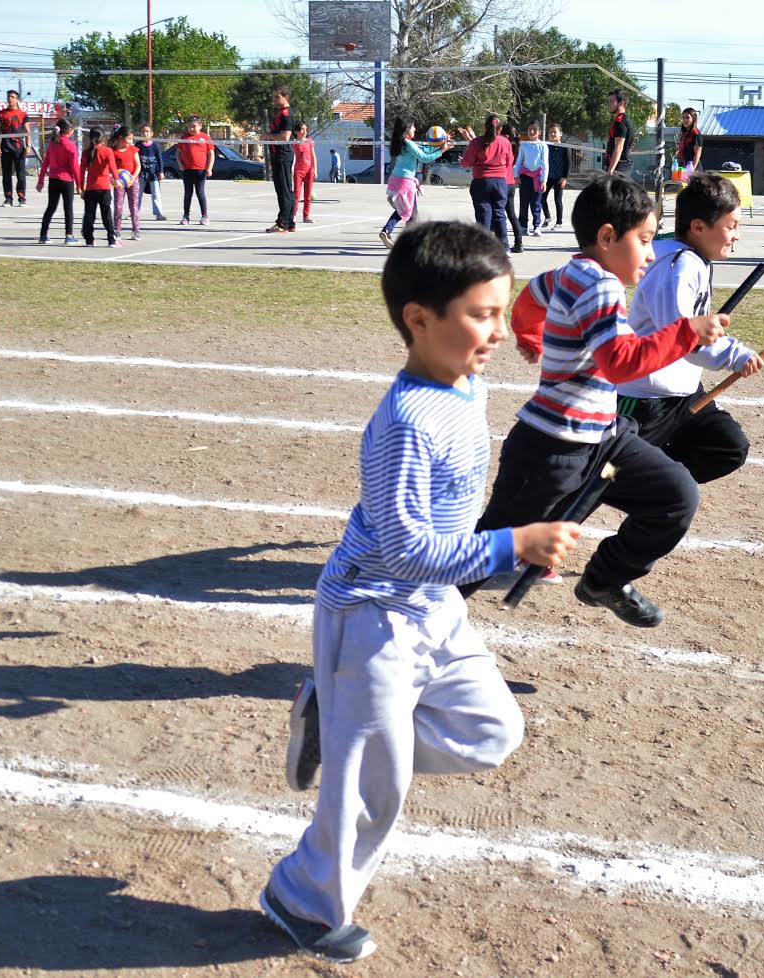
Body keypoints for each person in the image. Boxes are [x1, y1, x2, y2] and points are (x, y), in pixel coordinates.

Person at [260, 220, 581, 964]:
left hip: (436, 608)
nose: (497, 330)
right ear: (419, 319)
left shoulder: (468, 382)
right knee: (375, 788)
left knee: (491, 731)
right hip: (373, 615)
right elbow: (405, 551)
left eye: (501, 312)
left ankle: (332, 723)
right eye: (481, 314)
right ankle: (303, 898)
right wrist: (511, 545)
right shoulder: (404, 420)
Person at [467, 175, 727, 628]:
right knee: (483, 559)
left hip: (602, 439)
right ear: (607, 237)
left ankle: (605, 580)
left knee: (675, 494)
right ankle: (395, 620)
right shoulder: (601, 286)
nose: (651, 253)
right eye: (644, 241)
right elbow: (622, 363)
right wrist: (687, 332)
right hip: (551, 448)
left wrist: (530, 335)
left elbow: (530, 295)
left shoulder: (570, 272)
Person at [614, 174, 763, 495]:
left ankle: (651, 485)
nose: (737, 235)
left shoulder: (694, 260)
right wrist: (735, 354)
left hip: (682, 393)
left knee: (728, 445)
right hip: (644, 400)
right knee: (596, 481)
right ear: (698, 227)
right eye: (730, 226)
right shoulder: (678, 268)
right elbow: (683, 340)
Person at [379, 117, 447, 248]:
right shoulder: (408, 144)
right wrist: (442, 150)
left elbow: (423, 151)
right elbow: (424, 157)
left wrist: (440, 145)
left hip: (396, 179)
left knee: (410, 212)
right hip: (405, 181)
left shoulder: (401, 143)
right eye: (413, 127)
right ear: (406, 129)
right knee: (408, 212)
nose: (415, 129)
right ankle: (391, 233)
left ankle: (395, 235)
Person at [457, 114, 514, 247]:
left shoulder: (476, 142)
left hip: (481, 182)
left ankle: (483, 248)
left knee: (484, 216)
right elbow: (510, 162)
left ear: (485, 127)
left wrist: (465, 162)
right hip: (500, 182)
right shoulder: (505, 142)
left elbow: (466, 162)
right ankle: (504, 247)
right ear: (499, 130)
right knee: (500, 214)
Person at [36, 118, 80, 245]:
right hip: (67, 180)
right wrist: (79, 184)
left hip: (53, 180)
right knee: (68, 208)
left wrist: (41, 181)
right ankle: (69, 235)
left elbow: (45, 163)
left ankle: (43, 235)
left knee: (51, 207)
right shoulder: (70, 145)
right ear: (69, 131)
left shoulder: (52, 144)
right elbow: (74, 167)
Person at [79, 128, 117, 248]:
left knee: (89, 215)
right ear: (103, 139)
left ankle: (89, 240)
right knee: (106, 214)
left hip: (90, 188)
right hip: (104, 187)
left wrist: (81, 187)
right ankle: (111, 239)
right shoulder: (107, 151)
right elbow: (112, 168)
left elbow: (81, 171)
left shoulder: (86, 152)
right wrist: (117, 180)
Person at [267, 86, 296, 233]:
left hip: (283, 155)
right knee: (284, 189)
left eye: (277, 97)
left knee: (283, 189)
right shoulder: (280, 113)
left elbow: (285, 137)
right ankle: (290, 221)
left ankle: (282, 223)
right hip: (277, 155)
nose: (274, 99)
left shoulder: (286, 114)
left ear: (285, 97)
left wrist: (268, 136)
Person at [177, 116, 215, 225]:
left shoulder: (205, 137)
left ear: (200, 126)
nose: (191, 129)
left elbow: (211, 154)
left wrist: (209, 168)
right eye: (189, 127)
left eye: (194, 126)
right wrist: (180, 165)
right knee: (188, 193)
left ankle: (204, 216)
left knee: (200, 192)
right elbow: (178, 152)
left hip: (201, 170)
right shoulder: (184, 137)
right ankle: (186, 216)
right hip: (187, 170)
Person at [514, 120, 549, 238]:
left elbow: (545, 164)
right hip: (525, 178)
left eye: (534, 129)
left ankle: (537, 227)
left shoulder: (543, 145)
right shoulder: (524, 145)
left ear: (539, 132)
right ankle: (523, 227)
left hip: (538, 178)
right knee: (524, 203)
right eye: (530, 130)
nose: (532, 132)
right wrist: (516, 175)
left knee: (536, 203)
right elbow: (519, 161)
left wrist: (544, 180)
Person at [108, 125, 142, 243]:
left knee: (134, 206)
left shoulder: (133, 149)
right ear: (121, 138)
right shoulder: (113, 151)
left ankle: (136, 229)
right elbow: (110, 168)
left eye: (132, 139)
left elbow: (138, 165)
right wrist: (114, 179)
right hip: (119, 183)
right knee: (118, 206)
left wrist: (132, 178)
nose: (131, 142)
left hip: (133, 181)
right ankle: (117, 230)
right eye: (129, 139)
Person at [0, 90, 29, 207]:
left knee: (21, 174)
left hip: (19, 148)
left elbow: (27, 131)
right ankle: (8, 198)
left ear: (17, 99)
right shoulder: (1, 114)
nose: (10, 99)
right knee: (6, 174)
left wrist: (28, 146)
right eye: (8, 97)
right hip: (5, 147)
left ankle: (22, 197)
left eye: (12, 97)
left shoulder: (23, 114)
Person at [500, 123, 525, 253]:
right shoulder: (515, 146)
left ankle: (501, 243)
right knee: (512, 215)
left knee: (498, 215)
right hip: (511, 184)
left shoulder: (503, 146)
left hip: (502, 183)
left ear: (505, 135)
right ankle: (519, 243)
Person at [541, 123, 570, 229]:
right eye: (550, 132)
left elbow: (568, 163)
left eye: (554, 132)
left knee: (557, 200)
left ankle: (559, 222)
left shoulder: (565, 147)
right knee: (541, 197)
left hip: (559, 178)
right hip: (548, 177)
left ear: (560, 134)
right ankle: (547, 217)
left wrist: (564, 177)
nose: (552, 134)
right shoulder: (546, 146)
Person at [135, 125, 166, 222]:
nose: (145, 133)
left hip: (153, 174)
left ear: (151, 134)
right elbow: (134, 159)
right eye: (143, 131)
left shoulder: (155, 146)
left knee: (156, 194)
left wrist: (161, 172)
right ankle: (134, 213)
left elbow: (159, 160)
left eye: (147, 131)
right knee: (137, 194)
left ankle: (159, 214)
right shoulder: (138, 145)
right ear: (140, 133)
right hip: (141, 173)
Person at [604, 90, 633, 176]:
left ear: (621, 103)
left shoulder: (620, 121)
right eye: (608, 101)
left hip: (618, 168)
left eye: (612, 101)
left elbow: (619, 147)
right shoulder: (624, 119)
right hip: (621, 167)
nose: (608, 104)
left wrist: (610, 170)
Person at [292, 120, 316, 224]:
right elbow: (292, 157)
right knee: (296, 194)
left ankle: (306, 215)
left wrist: (315, 169)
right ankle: (293, 214)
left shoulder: (310, 141)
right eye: (302, 129)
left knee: (308, 195)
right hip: (298, 171)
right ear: (296, 131)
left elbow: (313, 156)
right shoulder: (294, 143)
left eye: (306, 129)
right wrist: (291, 169)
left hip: (309, 170)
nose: (304, 132)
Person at [676, 107, 702, 173]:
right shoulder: (684, 133)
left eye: (687, 117)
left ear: (693, 118)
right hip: (682, 166)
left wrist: (691, 171)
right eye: (683, 117)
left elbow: (697, 154)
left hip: (693, 169)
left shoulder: (695, 134)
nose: (685, 120)